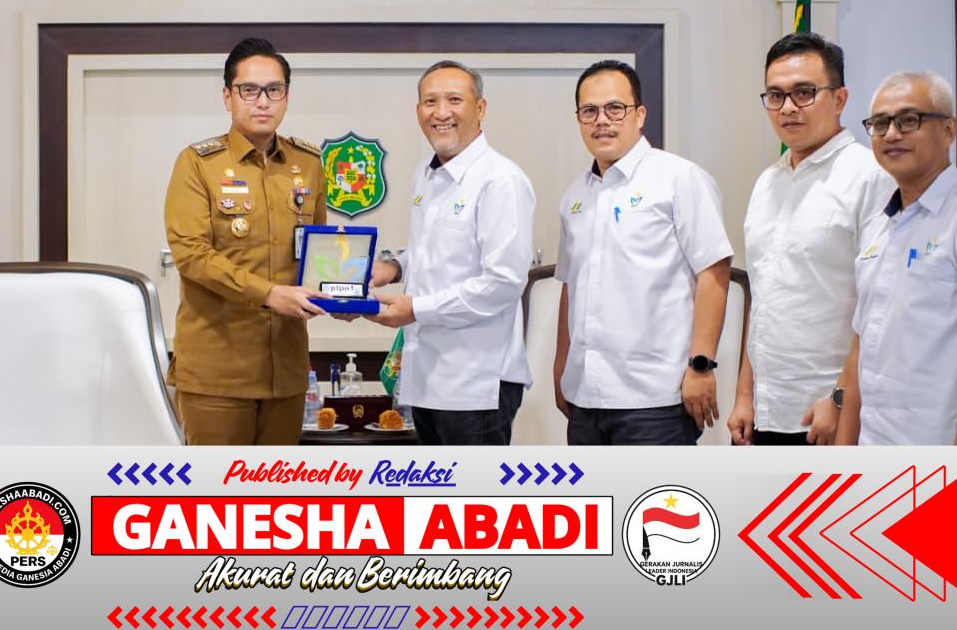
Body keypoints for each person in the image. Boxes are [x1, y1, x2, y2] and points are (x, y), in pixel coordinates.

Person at [554, 60, 733, 445]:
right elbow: (571, 285)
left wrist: (701, 366)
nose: (602, 120)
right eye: (590, 111)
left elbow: (714, 272)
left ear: (639, 115)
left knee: (655, 489)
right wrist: (561, 367)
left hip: (656, 400)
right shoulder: (574, 196)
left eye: (615, 108)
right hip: (584, 397)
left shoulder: (678, 178)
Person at [728, 34, 893, 446]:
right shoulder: (768, 182)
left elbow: (881, 307)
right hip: (766, 410)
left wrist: (840, 398)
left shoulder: (870, 176)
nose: (788, 107)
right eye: (776, 95)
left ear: (839, 99)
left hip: (833, 413)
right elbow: (762, 300)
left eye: (804, 93)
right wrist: (745, 395)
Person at [360, 60, 535, 445]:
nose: (441, 112)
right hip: (426, 377)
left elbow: (503, 282)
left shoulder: (500, 181)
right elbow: (434, 248)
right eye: (430, 101)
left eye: (454, 100)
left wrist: (416, 309)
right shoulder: (426, 174)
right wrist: (393, 267)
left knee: (474, 487)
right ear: (418, 111)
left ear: (480, 108)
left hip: (476, 383)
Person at [163, 37, 327, 445]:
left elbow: (318, 251)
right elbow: (192, 255)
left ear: (287, 96)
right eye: (249, 90)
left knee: (275, 486)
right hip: (218, 373)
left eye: (274, 90)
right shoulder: (197, 163)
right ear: (228, 96)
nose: (262, 102)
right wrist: (268, 293)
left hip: (286, 370)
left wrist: (337, 296)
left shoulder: (308, 163)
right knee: (219, 487)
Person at [835, 71, 957, 445]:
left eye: (908, 120)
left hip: (937, 453)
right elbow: (861, 349)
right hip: (873, 448)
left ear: (948, 130)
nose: (891, 134)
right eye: (880, 124)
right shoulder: (878, 226)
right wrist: (841, 457)